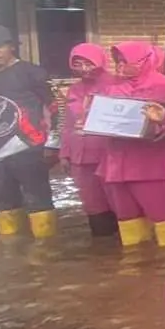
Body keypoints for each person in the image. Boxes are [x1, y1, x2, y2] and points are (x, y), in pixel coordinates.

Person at [100, 40, 165, 248]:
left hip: (151, 167)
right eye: (118, 60)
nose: (120, 65)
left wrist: (163, 122)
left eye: (125, 60)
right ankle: (135, 265)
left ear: (144, 61)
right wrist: (88, 121)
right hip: (117, 166)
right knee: (128, 226)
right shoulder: (111, 89)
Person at [0, 24, 57, 239]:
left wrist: (53, 145)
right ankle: (12, 248)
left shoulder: (32, 73)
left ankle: (46, 248)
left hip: (28, 146)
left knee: (38, 199)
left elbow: (54, 107)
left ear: (11, 46)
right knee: (1, 203)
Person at [59, 42, 120, 239]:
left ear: (100, 61)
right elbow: (68, 124)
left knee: (119, 203)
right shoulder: (74, 89)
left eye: (89, 63)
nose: (84, 69)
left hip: (108, 154)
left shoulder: (116, 85)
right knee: (93, 205)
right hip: (81, 157)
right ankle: (101, 247)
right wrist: (64, 153)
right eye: (78, 64)